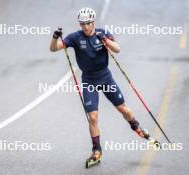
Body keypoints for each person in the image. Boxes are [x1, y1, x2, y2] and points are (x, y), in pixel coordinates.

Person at [50, 7, 152, 166]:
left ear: (93, 22)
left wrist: (105, 40)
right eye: (82, 24)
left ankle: (136, 126)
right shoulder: (75, 38)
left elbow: (117, 49)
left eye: (88, 23)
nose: (85, 27)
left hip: (105, 78)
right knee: (93, 117)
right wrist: (55, 37)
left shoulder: (101, 33)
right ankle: (96, 150)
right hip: (89, 81)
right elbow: (54, 48)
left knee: (123, 109)